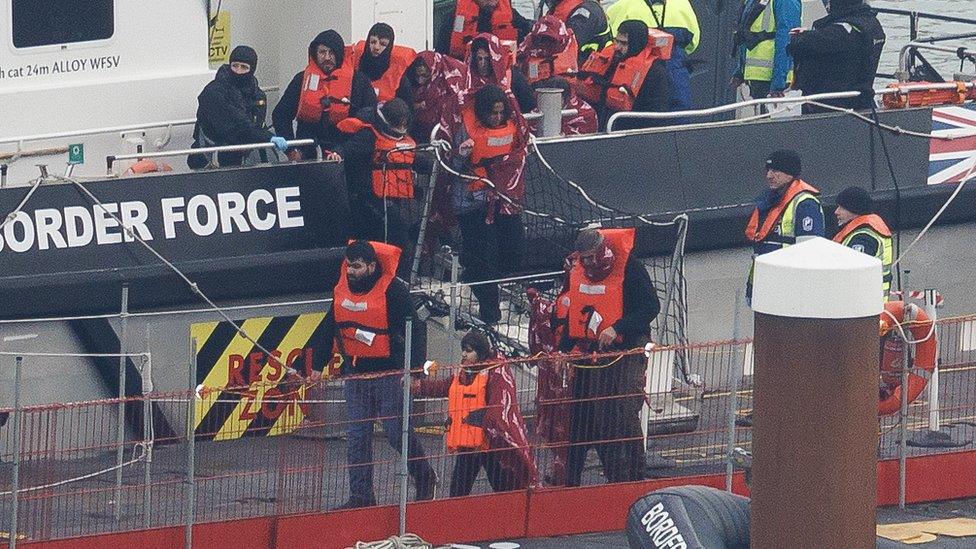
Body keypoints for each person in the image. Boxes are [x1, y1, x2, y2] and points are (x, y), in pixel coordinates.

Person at [320, 240, 436, 509]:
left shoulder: (393, 291)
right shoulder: (341, 291)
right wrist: (316, 364)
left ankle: (424, 475)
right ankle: (361, 496)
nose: (351, 271)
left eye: (357, 266)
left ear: (372, 266)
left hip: (390, 372)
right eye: (349, 266)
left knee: (397, 432)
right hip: (356, 374)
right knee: (357, 437)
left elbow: (416, 328)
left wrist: (415, 370)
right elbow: (331, 325)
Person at [558, 227, 661, 486]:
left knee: (624, 409)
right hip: (596, 347)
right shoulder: (577, 271)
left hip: (630, 342)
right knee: (599, 414)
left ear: (602, 251)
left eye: (592, 257)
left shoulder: (631, 268)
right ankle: (615, 478)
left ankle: (636, 476)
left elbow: (651, 307)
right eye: (585, 259)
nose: (589, 263)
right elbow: (574, 313)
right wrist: (562, 350)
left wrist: (618, 327)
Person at [436, 84, 528, 325]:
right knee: (485, 257)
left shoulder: (513, 129)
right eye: (493, 113)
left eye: (501, 113)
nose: (498, 118)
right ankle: (491, 312)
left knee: (514, 249)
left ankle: (471, 271)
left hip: (502, 200)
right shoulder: (465, 131)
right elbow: (451, 169)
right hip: (471, 203)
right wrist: (460, 155)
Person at [412, 329, 537, 496]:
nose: (464, 354)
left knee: (502, 486)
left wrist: (482, 420)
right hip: (469, 442)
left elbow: (500, 404)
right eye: (463, 350)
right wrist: (419, 387)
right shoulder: (465, 372)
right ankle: (457, 519)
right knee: (458, 489)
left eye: (469, 351)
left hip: (490, 442)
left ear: (480, 352)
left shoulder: (497, 372)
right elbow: (444, 386)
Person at [333, 100, 418, 271]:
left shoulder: (405, 141)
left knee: (403, 233)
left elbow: (417, 161)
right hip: (372, 198)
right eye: (398, 123)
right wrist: (337, 154)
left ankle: (401, 273)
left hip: (398, 198)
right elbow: (348, 149)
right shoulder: (368, 135)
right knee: (394, 235)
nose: (401, 128)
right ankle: (396, 273)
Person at [272, 30, 377, 161]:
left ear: (339, 54)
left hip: (347, 155)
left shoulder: (359, 82)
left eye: (332, 52)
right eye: (322, 52)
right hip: (309, 155)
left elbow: (369, 119)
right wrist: (291, 149)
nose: (327, 57)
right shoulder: (301, 80)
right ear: (315, 54)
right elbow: (280, 114)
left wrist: (344, 151)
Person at [743, 150, 824, 305]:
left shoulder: (805, 203)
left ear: (790, 174)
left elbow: (810, 252)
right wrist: (752, 288)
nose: (769, 176)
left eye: (775, 171)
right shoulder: (768, 202)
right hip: (766, 284)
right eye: (768, 171)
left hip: (790, 287)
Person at [190, 45, 286, 168]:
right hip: (211, 159)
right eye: (235, 66)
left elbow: (258, 125)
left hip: (245, 158)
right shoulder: (213, 92)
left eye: (244, 67)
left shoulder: (258, 95)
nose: (238, 71)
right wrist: (267, 137)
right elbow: (235, 125)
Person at [787, 0, 886, 113]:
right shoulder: (872, 24)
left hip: (829, 105)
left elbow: (802, 43)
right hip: (863, 101)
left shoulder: (842, 32)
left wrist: (802, 36)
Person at [606, 0, 701, 113]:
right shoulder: (682, 4)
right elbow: (693, 43)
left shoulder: (624, 6)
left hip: (638, 78)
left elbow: (613, 44)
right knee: (678, 121)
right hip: (676, 75)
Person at [577, 19, 672, 130]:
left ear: (635, 43)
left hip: (634, 130)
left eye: (623, 43)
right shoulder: (611, 59)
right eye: (616, 41)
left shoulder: (655, 72)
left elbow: (658, 114)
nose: (617, 47)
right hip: (604, 124)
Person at [731, 0, 801, 101]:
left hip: (773, 82)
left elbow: (786, 40)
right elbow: (745, 35)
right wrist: (740, 71)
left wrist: (778, 84)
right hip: (757, 78)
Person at [832, 186, 893, 299]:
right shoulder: (862, 232)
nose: (836, 212)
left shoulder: (864, 237)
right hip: (868, 303)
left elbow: (853, 274)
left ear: (854, 210)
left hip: (863, 304)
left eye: (842, 208)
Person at [396, 51, 467, 142]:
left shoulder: (446, 87)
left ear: (434, 71)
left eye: (424, 76)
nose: (420, 80)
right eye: (417, 76)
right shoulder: (410, 84)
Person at [346, 23, 417, 104]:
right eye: (373, 42)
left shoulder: (400, 80)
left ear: (389, 47)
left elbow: (407, 112)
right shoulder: (352, 69)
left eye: (383, 44)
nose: (376, 47)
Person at [466, 33, 538, 113]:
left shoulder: (513, 77)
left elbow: (530, 106)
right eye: (479, 59)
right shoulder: (466, 80)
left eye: (487, 59)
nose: (483, 64)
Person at [439, 0, 533, 60]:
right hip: (464, 75)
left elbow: (530, 32)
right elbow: (441, 53)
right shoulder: (453, 17)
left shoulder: (511, 15)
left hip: (501, 75)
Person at [538, 0, 614, 64]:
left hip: (582, 72)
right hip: (550, 63)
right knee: (532, 64)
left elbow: (568, 44)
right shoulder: (556, 5)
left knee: (535, 69)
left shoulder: (586, 11)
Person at [516, 15, 580, 87]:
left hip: (566, 84)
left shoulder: (569, 44)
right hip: (541, 88)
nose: (546, 42)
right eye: (543, 38)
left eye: (550, 39)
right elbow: (532, 80)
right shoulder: (531, 55)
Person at [529, 77, 599, 136]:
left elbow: (576, 143)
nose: (549, 102)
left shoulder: (586, 114)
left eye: (553, 97)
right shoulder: (536, 112)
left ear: (565, 97)